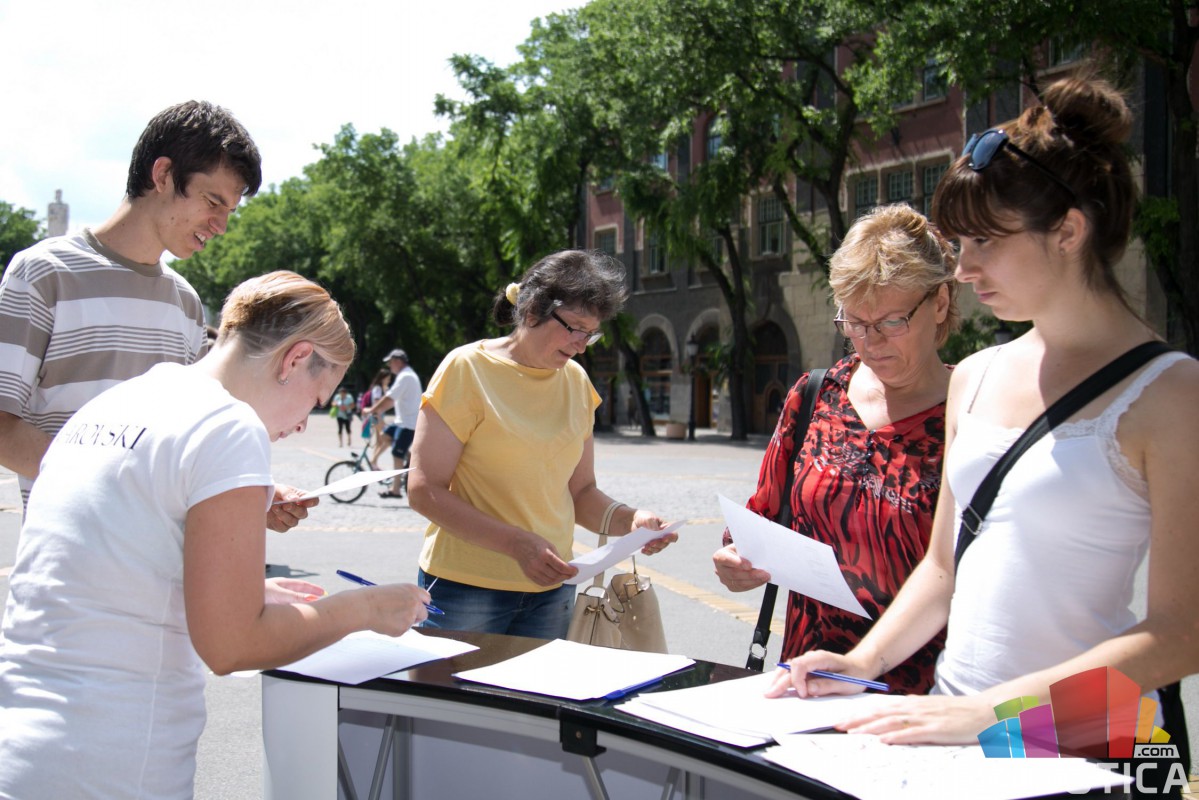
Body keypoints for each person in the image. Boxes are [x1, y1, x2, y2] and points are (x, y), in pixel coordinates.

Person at [771, 75, 1198, 753]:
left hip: (1084, 739)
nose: (963, 269)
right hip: (951, 719)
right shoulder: (974, 376)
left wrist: (991, 715)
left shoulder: (1170, 392)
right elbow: (944, 567)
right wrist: (861, 662)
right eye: (959, 244)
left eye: (984, 242)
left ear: (1067, 231)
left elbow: (1179, 633)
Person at [0, 271, 430, 798]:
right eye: (316, 398)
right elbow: (232, 645)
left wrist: (234, 588)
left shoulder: (119, 400)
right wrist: (363, 608)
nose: (302, 424)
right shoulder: (228, 426)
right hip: (114, 758)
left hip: (25, 737)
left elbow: (108, 561)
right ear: (294, 360)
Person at [0, 100, 310, 532]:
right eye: (213, 201)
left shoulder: (185, 302)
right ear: (162, 175)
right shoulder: (43, 273)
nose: (221, 226)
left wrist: (249, 493)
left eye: (229, 211)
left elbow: (190, 439)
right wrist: (122, 482)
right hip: (68, 559)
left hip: (167, 563)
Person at [714, 204, 959, 693]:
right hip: (808, 678)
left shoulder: (971, 411)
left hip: (919, 694)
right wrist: (737, 559)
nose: (870, 343)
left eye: (891, 322)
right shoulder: (816, 394)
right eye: (854, 323)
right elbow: (763, 517)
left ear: (939, 303)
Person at [407, 250, 677, 639]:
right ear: (534, 310)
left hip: (552, 590)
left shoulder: (577, 382)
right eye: (576, 328)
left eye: (591, 333)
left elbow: (580, 492)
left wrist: (630, 521)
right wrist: (517, 545)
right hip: (465, 588)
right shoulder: (466, 369)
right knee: (455, 683)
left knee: (539, 683)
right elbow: (423, 489)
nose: (582, 345)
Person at [367, 348, 421, 498]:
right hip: (401, 422)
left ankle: (395, 490)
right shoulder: (405, 375)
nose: (389, 366)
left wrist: (372, 410)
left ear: (398, 361)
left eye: (390, 362)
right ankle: (409, 457)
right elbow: (392, 401)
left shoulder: (406, 376)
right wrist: (377, 411)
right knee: (385, 436)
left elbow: (390, 397)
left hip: (408, 424)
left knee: (396, 454)